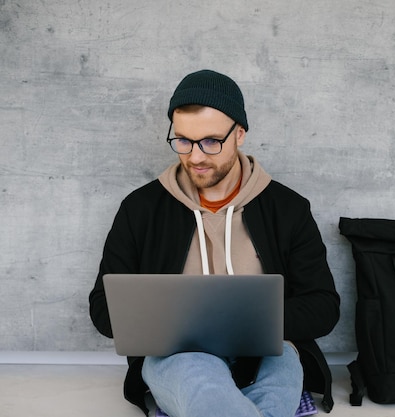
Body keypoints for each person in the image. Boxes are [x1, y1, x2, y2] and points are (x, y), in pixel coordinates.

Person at [89, 69, 340, 417]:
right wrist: (182, 325)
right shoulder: (140, 209)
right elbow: (104, 309)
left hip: (270, 350)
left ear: (239, 134)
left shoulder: (288, 209)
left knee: (275, 379)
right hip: (178, 356)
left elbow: (324, 307)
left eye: (210, 142)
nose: (194, 157)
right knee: (202, 384)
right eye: (183, 141)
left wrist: (244, 322)